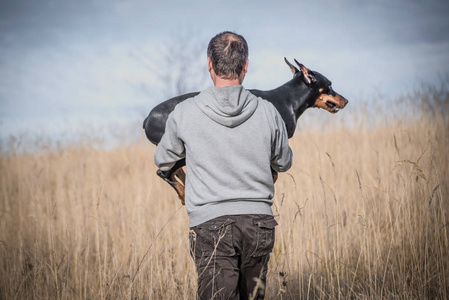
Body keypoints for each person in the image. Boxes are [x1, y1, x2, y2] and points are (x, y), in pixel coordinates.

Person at [154, 31, 293, 299]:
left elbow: (162, 160)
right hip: (259, 224)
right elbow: (284, 162)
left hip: (210, 224)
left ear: (210, 65)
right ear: (245, 66)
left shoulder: (184, 113)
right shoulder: (268, 111)